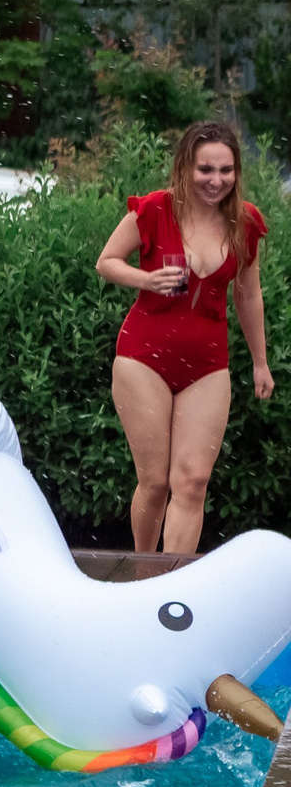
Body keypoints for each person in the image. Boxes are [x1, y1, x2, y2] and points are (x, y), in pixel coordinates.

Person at [97, 119, 273, 554]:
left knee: (192, 483)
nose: (216, 180)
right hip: (143, 357)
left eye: (225, 170)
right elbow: (106, 261)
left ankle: (172, 586)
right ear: (185, 167)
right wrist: (147, 278)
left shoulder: (244, 222)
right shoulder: (156, 209)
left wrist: (260, 361)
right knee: (155, 482)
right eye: (205, 170)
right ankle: (143, 573)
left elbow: (248, 295)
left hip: (209, 365)